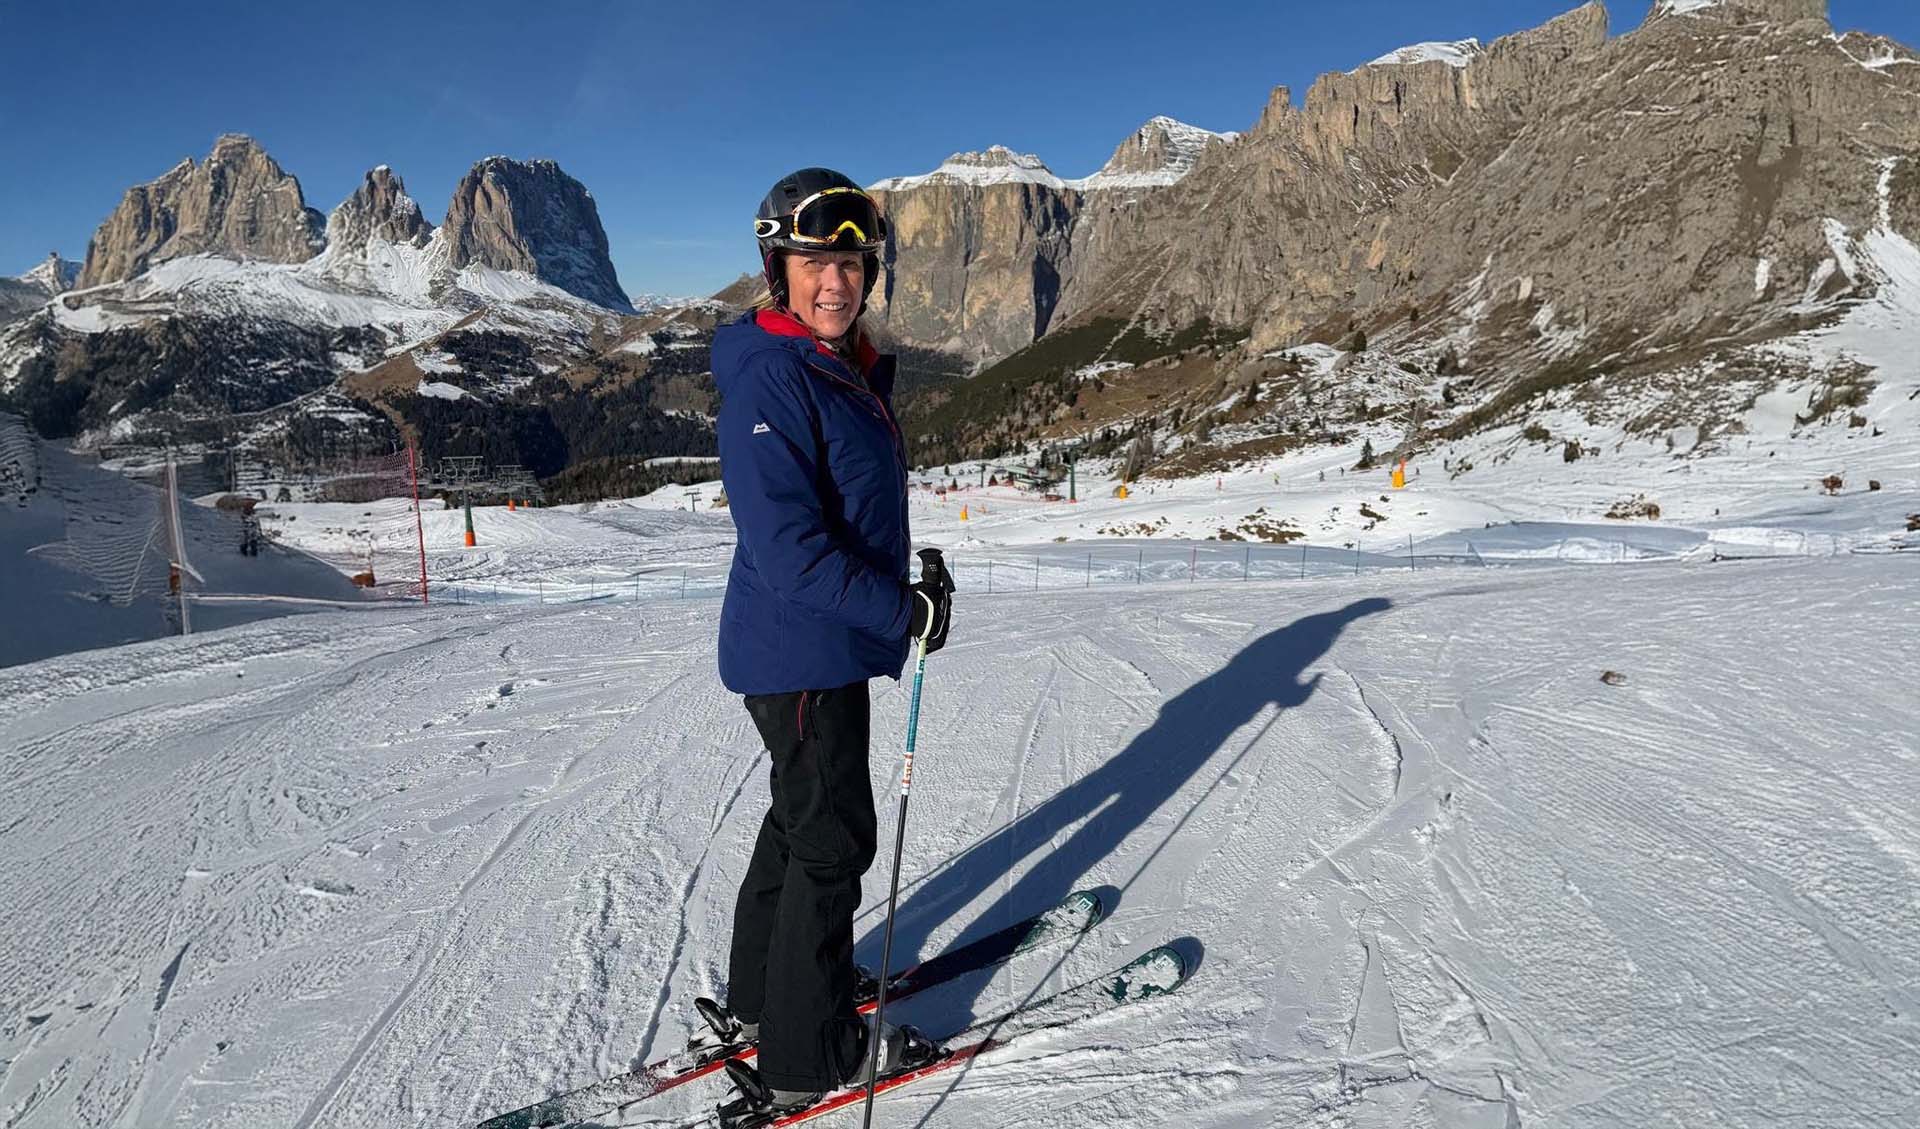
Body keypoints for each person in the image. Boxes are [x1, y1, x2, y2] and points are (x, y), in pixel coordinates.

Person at [706, 167, 954, 1117]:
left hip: (818, 645)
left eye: (850, 264)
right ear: (779, 268)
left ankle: (765, 997)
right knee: (833, 839)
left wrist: (900, 595)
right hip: (801, 647)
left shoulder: (830, 364)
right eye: (814, 262)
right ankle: (808, 1054)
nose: (835, 281)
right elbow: (791, 552)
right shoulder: (775, 374)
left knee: (799, 818)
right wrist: (900, 611)